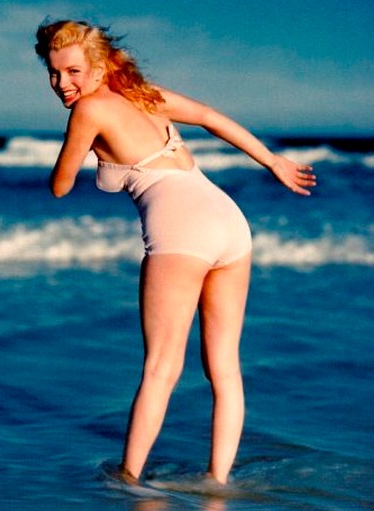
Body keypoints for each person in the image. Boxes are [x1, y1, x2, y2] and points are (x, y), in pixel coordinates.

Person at [34, 19, 316, 487]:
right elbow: (208, 116)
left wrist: (83, 150)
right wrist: (272, 161)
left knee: (160, 369)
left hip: (181, 230)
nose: (62, 83)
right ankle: (218, 482)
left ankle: (127, 480)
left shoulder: (88, 109)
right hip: (228, 220)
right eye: (53, 72)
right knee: (224, 367)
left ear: (99, 68)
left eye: (73, 71)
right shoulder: (144, 94)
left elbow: (60, 187)